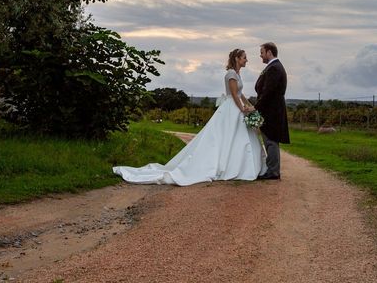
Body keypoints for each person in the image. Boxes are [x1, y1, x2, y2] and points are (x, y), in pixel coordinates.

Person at [113, 49, 267, 185]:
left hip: (237, 107)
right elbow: (233, 95)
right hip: (231, 108)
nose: (246, 60)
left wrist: (250, 106)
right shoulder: (231, 74)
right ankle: (227, 165)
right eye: (244, 57)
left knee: (238, 137)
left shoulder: (237, 74)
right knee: (228, 137)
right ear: (237, 59)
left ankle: (240, 165)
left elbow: (240, 94)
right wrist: (243, 110)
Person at [254, 41, 290, 180]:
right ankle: (272, 170)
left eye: (262, 52)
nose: (260, 55)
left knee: (271, 141)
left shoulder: (274, 68)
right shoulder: (273, 67)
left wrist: (255, 107)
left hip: (272, 111)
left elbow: (267, 92)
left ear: (269, 52)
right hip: (271, 110)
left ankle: (273, 172)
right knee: (270, 141)